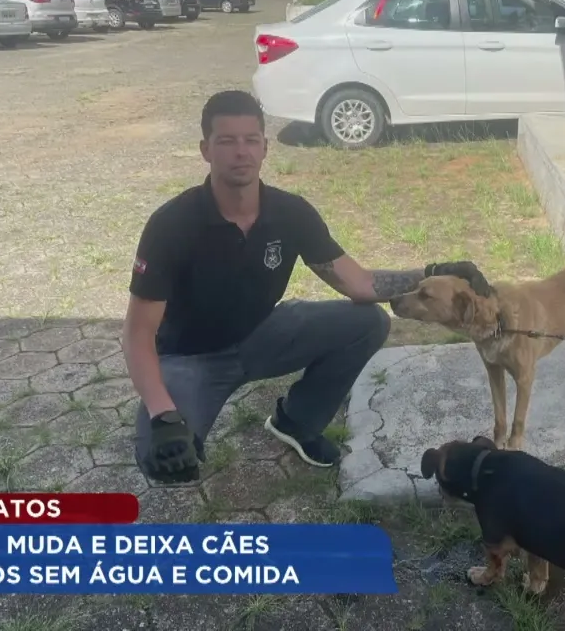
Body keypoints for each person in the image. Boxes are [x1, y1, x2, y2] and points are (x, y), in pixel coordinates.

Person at [123, 90, 487, 484]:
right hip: (191, 359)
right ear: (205, 150)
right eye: (226, 141)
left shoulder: (290, 213)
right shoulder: (171, 225)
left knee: (367, 323)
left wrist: (433, 271)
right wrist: (163, 414)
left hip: (262, 335)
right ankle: (172, 426)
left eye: (250, 140)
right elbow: (137, 333)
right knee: (165, 459)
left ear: (264, 147)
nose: (240, 152)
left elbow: (360, 283)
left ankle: (296, 421)